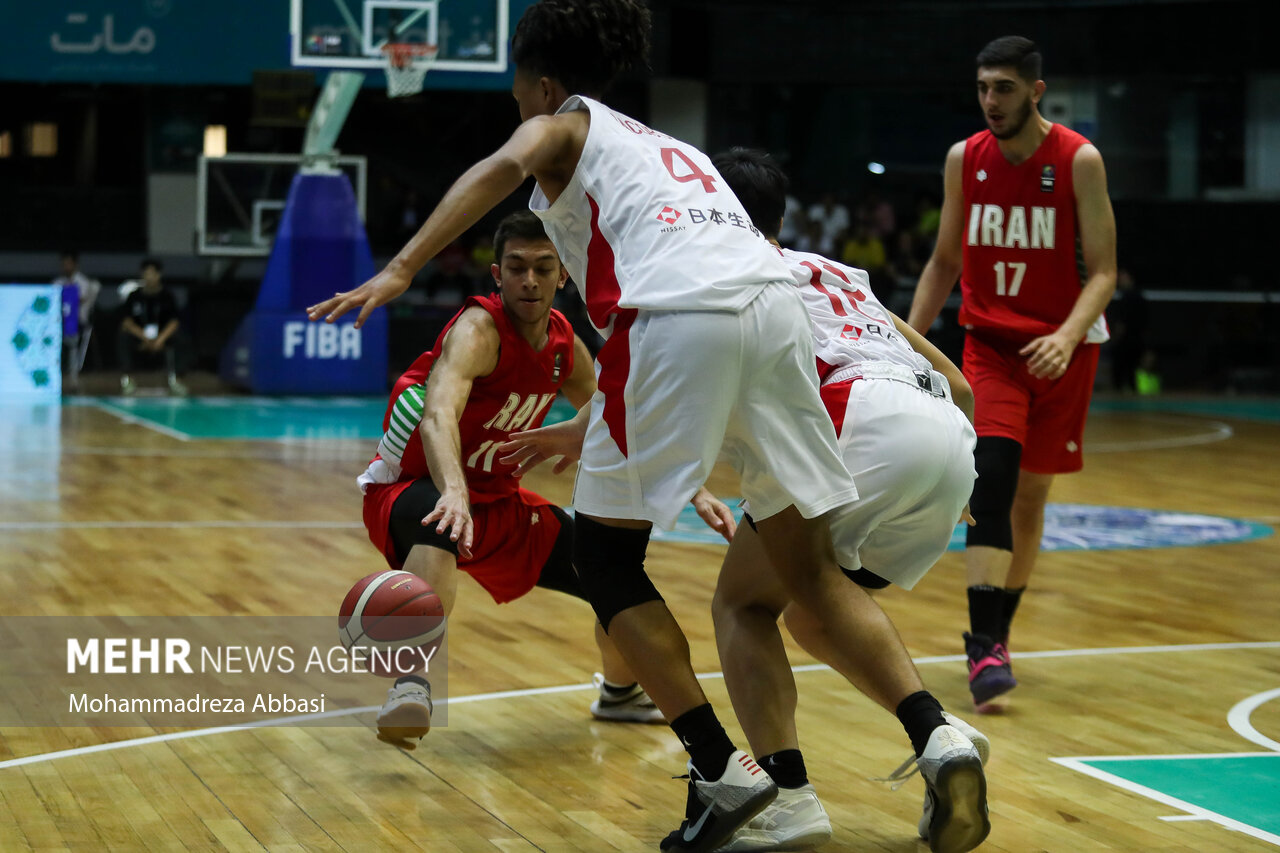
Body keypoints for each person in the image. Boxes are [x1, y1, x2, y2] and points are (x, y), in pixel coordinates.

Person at [310, 4, 984, 850]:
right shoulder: (678, 152)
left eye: (521, 90)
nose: (522, 108)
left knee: (606, 558)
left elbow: (503, 163)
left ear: (546, 85)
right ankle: (937, 733)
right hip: (776, 312)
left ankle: (720, 771)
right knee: (807, 570)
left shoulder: (563, 125)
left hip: (676, 313)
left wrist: (402, 266)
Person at [360, 212, 736, 747]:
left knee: (605, 569)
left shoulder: (565, 345)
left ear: (564, 276)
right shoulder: (477, 332)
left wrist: (689, 486)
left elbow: (618, 418)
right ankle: (411, 685)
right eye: (516, 268)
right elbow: (438, 416)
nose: (529, 280)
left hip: (498, 502)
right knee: (438, 523)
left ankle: (621, 692)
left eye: (542, 267)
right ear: (497, 274)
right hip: (410, 487)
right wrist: (455, 490)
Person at [709, 147, 989, 853]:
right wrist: (954, 480)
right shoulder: (835, 270)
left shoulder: (726, 273)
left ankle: (790, 795)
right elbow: (957, 381)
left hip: (853, 420)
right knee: (811, 608)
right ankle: (940, 735)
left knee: (742, 603)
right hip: (945, 437)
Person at [907, 36, 1117, 709]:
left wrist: (1066, 333)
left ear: (1035, 91)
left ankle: (998, 635)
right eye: (983, 89)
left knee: (1031, 500)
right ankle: (983, 644)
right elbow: (944, 262)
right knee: (991, 476)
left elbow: (1106, 272)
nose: (991, 101)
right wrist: (908, 339)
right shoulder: (964, 159)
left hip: (1063, 350)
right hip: (991, 345)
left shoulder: (1079, 159)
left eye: (1003, 88)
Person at [117, 258, 188, 396]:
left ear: (158, 275)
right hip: (140, 336)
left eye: (152, 273)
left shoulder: (167, 296)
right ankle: (127, 380)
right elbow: (127, 322)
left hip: (162, 337)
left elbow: (174, 322)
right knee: (123, 336)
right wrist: (145, 338)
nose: (148, 277)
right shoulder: (134, 296)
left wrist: (159, 340)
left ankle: (176, 380)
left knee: (182, 339)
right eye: (145, 273)